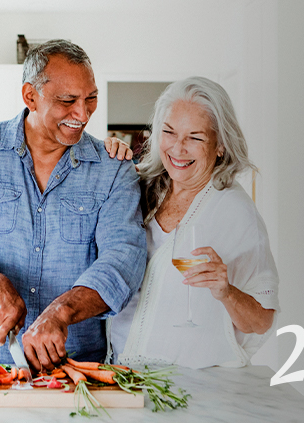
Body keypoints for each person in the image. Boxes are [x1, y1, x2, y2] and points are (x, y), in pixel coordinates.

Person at [0, 39, 147, 371]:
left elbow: (123, 262)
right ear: (30, 96)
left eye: (91, 99)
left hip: (79, 369)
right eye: (67, 101)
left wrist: (61, 312)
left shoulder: (114, 167)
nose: (83, 114)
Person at [108, 76, 279, 369]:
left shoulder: (236, 213)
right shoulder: (139, 187)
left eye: (195, 137)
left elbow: (261, 321)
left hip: (191, 385)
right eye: (169, 132)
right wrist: (105, 157)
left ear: (221, 145)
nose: (178, 148)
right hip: (120, 372)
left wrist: (227, 292)